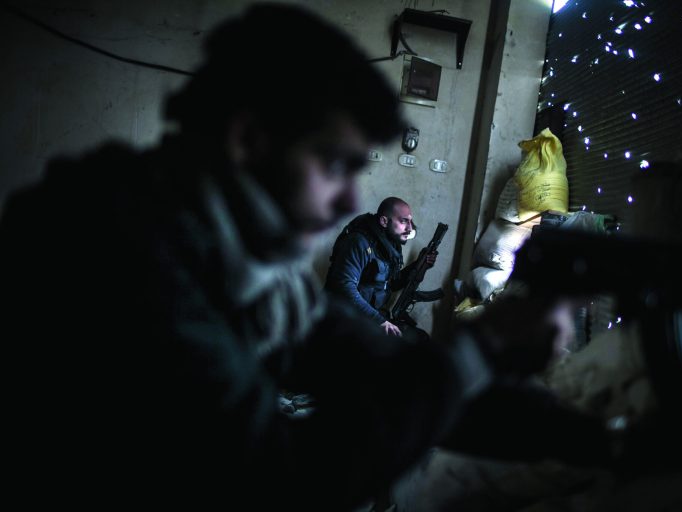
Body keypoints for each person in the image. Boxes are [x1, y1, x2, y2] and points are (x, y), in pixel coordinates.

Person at [0, 4, 598, 509]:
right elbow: (281, 477)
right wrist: (483, 347)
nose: (348, 201)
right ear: (248, 139)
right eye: (335, 166)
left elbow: (375, 363)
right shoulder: (118, 259)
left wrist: (587, 435)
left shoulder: (245, 263)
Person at [325, 196, 437, 338]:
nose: (410, 228)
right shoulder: (359, 242)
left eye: (410, 221)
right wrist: (379, 321)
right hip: (344, 319)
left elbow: (390, 284)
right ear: (384, 221)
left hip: (368, 318)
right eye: (404, 221)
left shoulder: (390, 244)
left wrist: (420, 265)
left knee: (420, 338)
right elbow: (344, 287)